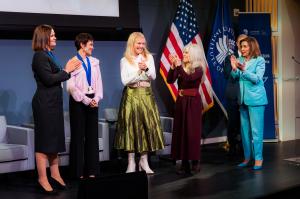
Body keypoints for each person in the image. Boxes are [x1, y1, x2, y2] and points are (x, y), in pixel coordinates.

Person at [31, 24, 81, 194]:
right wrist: (67, 70)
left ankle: (55, 174)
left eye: (54, 35)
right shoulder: (39, 56)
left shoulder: (49, 55)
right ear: (44, 37)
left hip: (53, 103)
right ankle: (42, 178)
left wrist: (68, 70)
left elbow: (58, 76)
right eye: (52, 35)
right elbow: (48, 79)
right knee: (44, 142)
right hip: (44, 104)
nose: (55, 38)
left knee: (54, 140)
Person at [114, 32, 164, 174]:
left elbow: (153, 76)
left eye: (143, 44)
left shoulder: (148, 58)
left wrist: (146, 68)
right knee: (130, 127)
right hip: (131, 95)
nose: (141, 46)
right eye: (138, 44)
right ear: (132, 44)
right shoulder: (125, 60)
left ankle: (144, 161)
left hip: (146, 95)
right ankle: (131, 162)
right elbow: (125, 81)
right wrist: (138, 71)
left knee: (146, 127)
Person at [67, 33, 103, 179]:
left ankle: (92, 170)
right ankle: (78, 172)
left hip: (93, 99)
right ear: (82, 45)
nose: (92, 48)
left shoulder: (94, 62)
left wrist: (97, 98)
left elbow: (99, 82)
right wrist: (86, 100)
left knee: (92, 136)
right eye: (90, 45)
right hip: (78, 102)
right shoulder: (72, 62)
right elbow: (71, 87)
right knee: (78, 136)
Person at [167, 43, 205, 174]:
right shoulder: (181, 68)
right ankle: (184, 163)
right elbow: (169, 80)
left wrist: (178, 67)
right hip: (181, 102)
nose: (184, 55)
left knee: (192, 133)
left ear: (194, 55)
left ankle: (195, 161)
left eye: (187, 53)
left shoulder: (199, 68)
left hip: (193, 103)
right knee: (181, 131)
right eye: (184, 52)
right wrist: (173, 67)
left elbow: (189, 79)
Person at [230, 36, 268, 170]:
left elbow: (257, 79)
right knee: (245, 132)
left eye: (245, 46)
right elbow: (235, 77)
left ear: (252, 47)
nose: (242, 49)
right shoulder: (240, 59)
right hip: (243, 100)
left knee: (256, 131)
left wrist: (243, 70)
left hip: (256, 100)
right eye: (241, 46)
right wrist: (234, 69)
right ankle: (247, 158)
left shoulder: (260, 60)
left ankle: (258, 159)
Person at [223, 34, 247, 156]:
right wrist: (235, 66)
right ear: (237, 44)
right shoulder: (230, 57)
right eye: (241, 42)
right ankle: (232, 147)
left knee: (245, 123)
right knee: (233, 123)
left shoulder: (251, 58)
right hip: (233, 95)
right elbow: (227, 74)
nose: (243, 44)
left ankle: (245, 148)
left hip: (247, 96)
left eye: (246, 42)